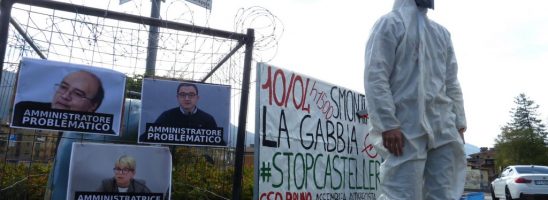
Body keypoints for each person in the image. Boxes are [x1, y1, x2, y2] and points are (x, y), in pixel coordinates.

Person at [363, 0, 467, 199]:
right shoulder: (390, 24)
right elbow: (375, 75)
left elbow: (451, 81)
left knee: (444, 192)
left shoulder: (441, 34)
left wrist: (459, 123)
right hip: (404, 128)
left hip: (443, 126)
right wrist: (387, 124)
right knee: (401, 193)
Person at [14, 70, 105, 113]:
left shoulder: (101, 133)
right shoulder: (25, 109)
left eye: (77, 94)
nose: (65, 96)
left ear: (93, 106)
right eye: (64, 87)